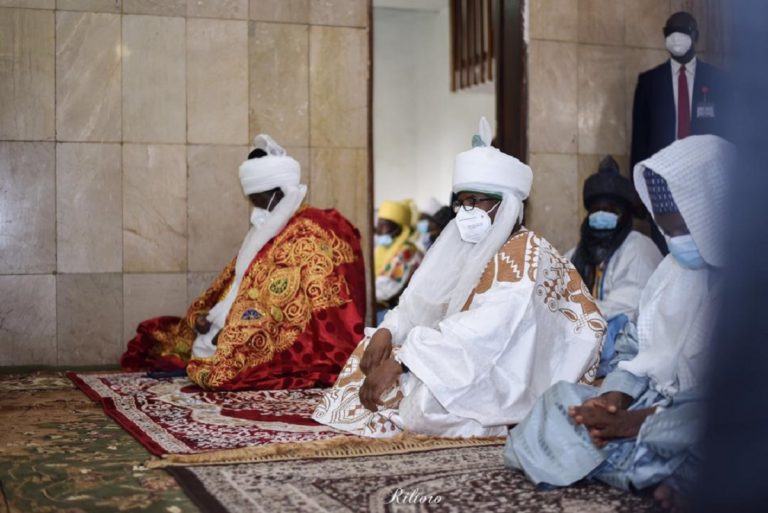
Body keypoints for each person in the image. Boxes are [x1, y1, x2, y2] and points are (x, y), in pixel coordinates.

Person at [312, 118, 606, 438]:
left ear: (505, 204)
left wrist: (404, 361)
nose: (466, 211)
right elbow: (422, 301)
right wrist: (388, 330)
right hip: (462, 352)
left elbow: (487, 334)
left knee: (424, 404)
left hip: (516, 368)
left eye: (474, 201)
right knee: (374, 350)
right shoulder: (468, 243)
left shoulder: (526, 253)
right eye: (461, 202)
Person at [504, 135, 732, 504]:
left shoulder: (749, 282)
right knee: (560, 400)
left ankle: (660, 469)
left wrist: (633, 423)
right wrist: (612, 401)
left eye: (681, 229)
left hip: (705, 413)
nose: (674, 241)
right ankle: (653, 471)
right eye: (666, 230)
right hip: (651, 398)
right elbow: (635, 344)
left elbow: (736, 396)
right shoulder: (672, 271)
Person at [121, 135, 366, 391]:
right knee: (198, 345)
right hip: (245, 317)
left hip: (292, 333)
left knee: (219, 369)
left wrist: (233, 330)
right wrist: (215, 317)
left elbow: (284, 301)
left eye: (257, 198)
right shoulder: (268, 225)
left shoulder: (308, 233)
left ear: (277, 191)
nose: (254, 205)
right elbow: (242, 282)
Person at [631, 11, 729, 253]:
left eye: (683, 31)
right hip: (662, 184)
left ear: (695, 36)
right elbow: (640, 139)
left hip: (704, 182)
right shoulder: (649, 82)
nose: (676, 37)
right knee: (666, 252)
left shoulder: (718, 80)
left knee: (708, 251)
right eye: (670, 32)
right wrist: (637, 193)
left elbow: (728, 133)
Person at [568, 156, 662, 375]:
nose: (601, 215)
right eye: (596, 210)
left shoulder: (638, 248)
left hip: (624, 350)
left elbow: (626, 309)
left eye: (611, 210)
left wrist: (572, 314)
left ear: (625, 215)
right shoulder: (577, 253)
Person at [374, 200, 423, 320]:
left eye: (384, 225)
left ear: (399, 228)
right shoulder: (383, 249)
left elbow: (384, 291)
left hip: (398, 313)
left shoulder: (406, 253)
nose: (378, 230)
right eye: (378, 224)